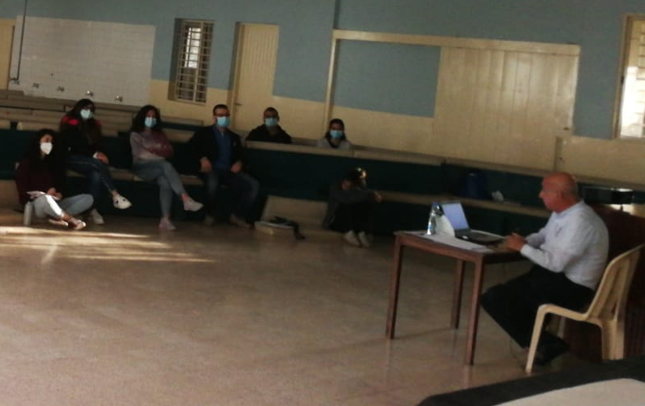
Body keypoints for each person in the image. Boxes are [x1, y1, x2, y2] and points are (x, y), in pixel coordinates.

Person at [480, 172, 609, 366]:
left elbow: (556, 264)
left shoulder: (581, 222)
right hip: (554, 278)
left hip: (573, 288)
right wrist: (525, 241)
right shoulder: (563, 213)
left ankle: (548, 344)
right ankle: (542, 343)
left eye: (544, 190)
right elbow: (542, 236)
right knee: (503, 295)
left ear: (558, 194)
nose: (540, 195)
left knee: (495, 299)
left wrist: (521, 248)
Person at [130, 105, 204, 231]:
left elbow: (169, 150)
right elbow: (140, 153)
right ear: (142, 117)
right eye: (148, 116)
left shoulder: (160, 135)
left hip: (159, 168)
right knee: (166, 165)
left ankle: (165, 219)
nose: (151, 119)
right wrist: (158, 154)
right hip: (141, 167)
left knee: (165, 182)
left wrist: (153, 152)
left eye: (153, 117)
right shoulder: (135, 134)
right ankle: (185, 198)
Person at [59, 99, 131, 225]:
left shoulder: (93, 126)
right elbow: (74, 144)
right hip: (70, 158)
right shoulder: (69, 123)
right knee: (98, 163)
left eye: (91, 110)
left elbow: (96, 144)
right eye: (85, 109)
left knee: (96, 175)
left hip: (87, 159)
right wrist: (95, 154)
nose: (88, 111)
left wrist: (98, 153)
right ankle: (115, 195)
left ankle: (93, 210)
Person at [188, 104, 259, 228]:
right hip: (211, 169)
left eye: (226, 115)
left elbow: (241, 155)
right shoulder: (203, 133)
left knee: (253, 185)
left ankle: (238, 216)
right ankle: (210, 214)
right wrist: (203, 158)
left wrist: (239, 162)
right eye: (221, 115)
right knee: (212, 183)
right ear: (214, 117)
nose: (224, 118)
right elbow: (192, 148)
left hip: (229, 171)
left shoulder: (234, 137)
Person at [15, 129, 92, 230]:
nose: (49, 144)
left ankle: (57, 217)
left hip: (55, 202)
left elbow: (61, 184)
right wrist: (44, 193)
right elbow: (22, 189)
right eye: (47, 140)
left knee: (88, 198)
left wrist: (59, 193)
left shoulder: (54, 163)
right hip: (37, 203)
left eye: (52, 142)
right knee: (45, 199)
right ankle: (71, 220)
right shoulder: (27, 162)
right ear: (38, 141)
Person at [322, 167, 382, 247]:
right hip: (336, 222)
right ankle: (349, 231)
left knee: (364, 204)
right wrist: (368, 193)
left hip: (354, 223)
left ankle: (362, 232)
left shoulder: (359, 189)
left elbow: (370, 196)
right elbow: (347, 199)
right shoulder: (337, 187)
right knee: (348, 205)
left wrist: (373, 194)